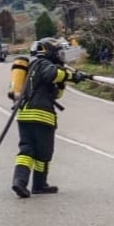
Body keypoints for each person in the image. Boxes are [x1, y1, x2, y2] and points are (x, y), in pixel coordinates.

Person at [10, 37, 89, 198]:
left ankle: (19, 181)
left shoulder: (32, 66)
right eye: (58, 52)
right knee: (44, 152)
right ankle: (39, 184)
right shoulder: (45, 64)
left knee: (26, 149)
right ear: (50, 51)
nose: (60, 56)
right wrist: (73, 76)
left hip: (24, 114)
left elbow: (57, 94)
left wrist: (63, 82)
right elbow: (52, 74)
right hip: (42, 115)